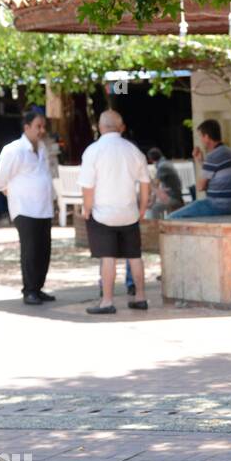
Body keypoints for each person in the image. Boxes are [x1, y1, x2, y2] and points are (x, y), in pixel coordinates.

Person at [79, 109, 150, 315]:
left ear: (100, 127)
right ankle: (141, 297)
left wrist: (87, 208)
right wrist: (142, 208)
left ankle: (107, 301)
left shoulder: (93, 151)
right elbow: (146, 184)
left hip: (103, 214)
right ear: (121, 127)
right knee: (134, 256)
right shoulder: (133, 150)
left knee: (107, 257)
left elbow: (87, 186)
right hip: (129, 213)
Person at [0, 106, 55, 304]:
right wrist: (4, 189)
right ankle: (29, 290)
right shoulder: (14, 150)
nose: (42, 130)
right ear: (26, 127)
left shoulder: (42, 148)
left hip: (43, 208)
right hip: (25, 208)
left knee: (44, 250)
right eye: (38, 126)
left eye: (43, 126)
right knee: (30, 250)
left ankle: (38, 287)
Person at [168, 120, 231, 219]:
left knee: (172, 218)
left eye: (201, 136)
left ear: (207, 137)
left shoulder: (213, 156)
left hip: (218, 205)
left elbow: (200, 187)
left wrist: (204, 163)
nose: (201, 140)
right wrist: (201, 161)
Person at [146, 147, 184, 218]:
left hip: (174, 198)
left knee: (154, 208)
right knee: (156, 204)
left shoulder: (162, 167)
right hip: (176, 196)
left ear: (151, 160)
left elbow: (155, 186)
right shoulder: (166, 163)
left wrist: (147, 178)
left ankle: (156, 228)